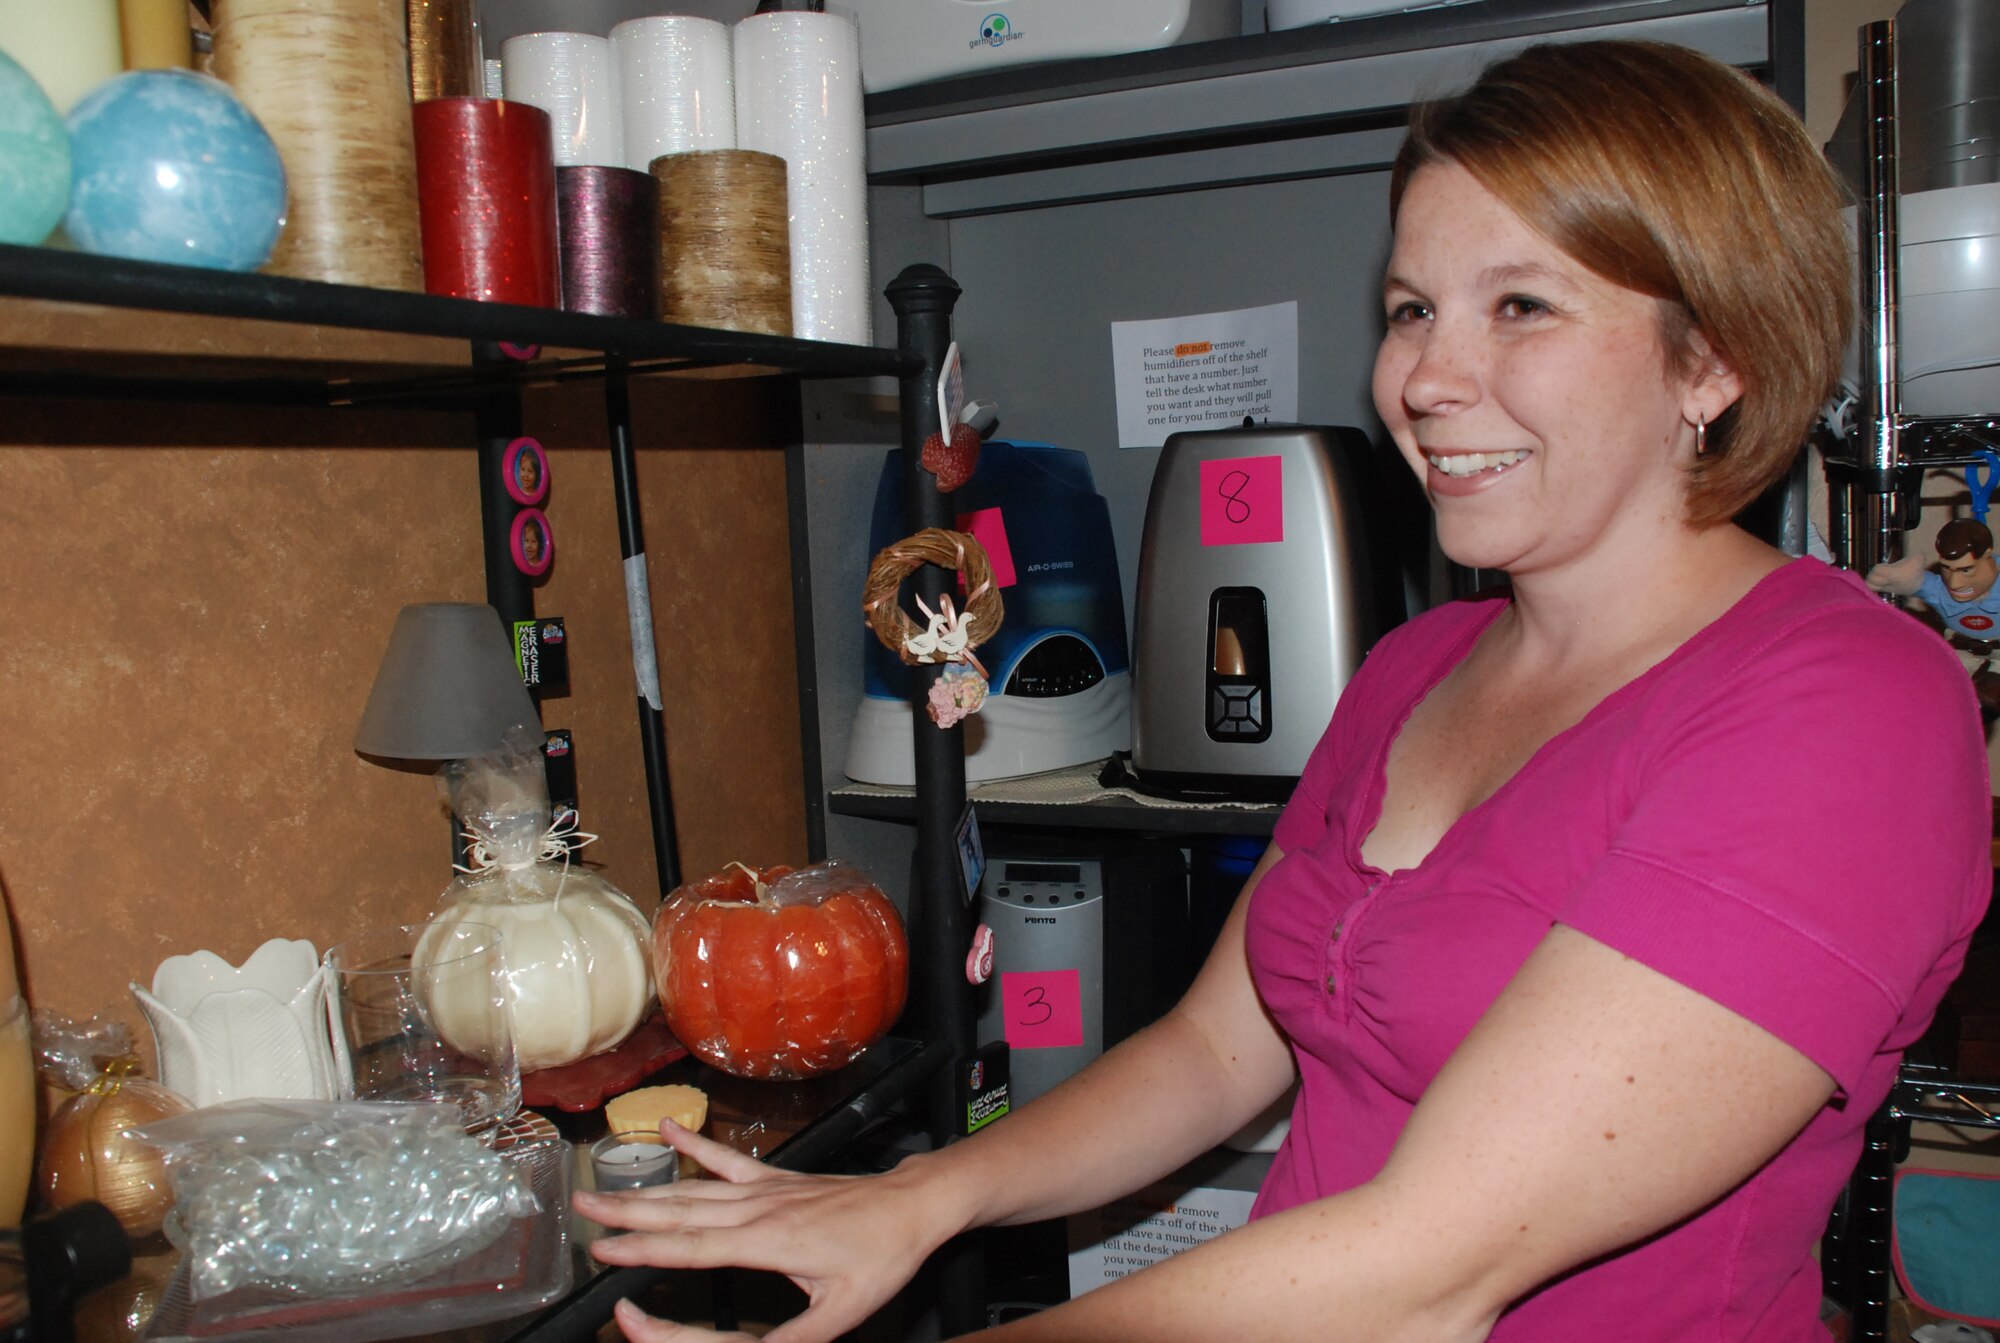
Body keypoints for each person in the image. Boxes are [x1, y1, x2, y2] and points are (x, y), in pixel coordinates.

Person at [575, 40, 1992, 1343]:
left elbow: (1423, 1265)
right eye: (1411, 308)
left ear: (1716, 358)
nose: (1427, 378)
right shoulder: (1417, 668)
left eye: (1521, 306)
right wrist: (928, 1193)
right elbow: (1213, 1045)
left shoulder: (1848, 708)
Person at [1867, 517, 2000, 639]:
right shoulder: (1940, 589)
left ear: (1987, 556)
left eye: (1966, 570)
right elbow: (1914, 582)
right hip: (1959, 656)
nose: (1954, 584)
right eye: (1946, 568)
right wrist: (1889, 576)